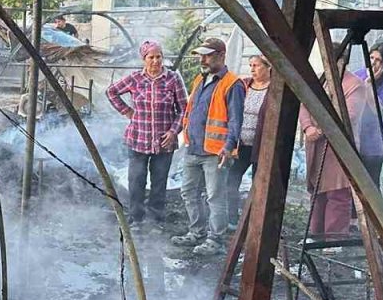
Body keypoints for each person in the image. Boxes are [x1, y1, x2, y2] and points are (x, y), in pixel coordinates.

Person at [172, 37, 244, 256]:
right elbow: (191, 112)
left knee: (215, 197)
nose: (202, 59)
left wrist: (228, 147)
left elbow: (235, 120)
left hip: (215, 152)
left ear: (221, 56)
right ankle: (197, 232)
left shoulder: (232, 84)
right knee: (188, 192)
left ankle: (216, 240)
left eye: (207, 55)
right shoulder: (200, 80)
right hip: (193, 148)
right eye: (201, 55)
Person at [105, 41, 186, 229]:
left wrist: (174, 132)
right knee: (136, 180)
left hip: (164, 141)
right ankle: (136, 218)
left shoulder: (173, 79)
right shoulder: (135, 79)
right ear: (144, 59)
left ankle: (156, 219)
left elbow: (184, 109)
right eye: (151, 57)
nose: (156, 61)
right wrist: (126, 111)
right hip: (138, 139)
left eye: (159, 57)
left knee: (159, 181)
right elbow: (111, 92)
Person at [298, 58, 370, 237]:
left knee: (337, 193)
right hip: (315, 144)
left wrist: (320, 130)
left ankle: (334, 237)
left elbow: (349, 115)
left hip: (339, 146)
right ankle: (315, 235)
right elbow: (304, 103)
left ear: (343, 62)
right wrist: (308, 127)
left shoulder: (355, 85)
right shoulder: (318, 81)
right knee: (317, 191)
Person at [227, 55, 271, 225]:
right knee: (231, 179)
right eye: (250, 65)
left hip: (261, 145)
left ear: (268, 68)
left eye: (257, 66)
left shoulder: (273, 90)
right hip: (242, 144)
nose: (252, 69)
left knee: (258, 183)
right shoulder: (245, 85)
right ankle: (232, 218)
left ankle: (255, 220)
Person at [353, 43, 383, 186]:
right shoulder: (359, 74)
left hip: (374, 141)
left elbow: (378, 112)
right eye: (371, 57)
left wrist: (368, 84)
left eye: (378, 60)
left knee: (371, 184)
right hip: (356, 134)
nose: (373, 62)